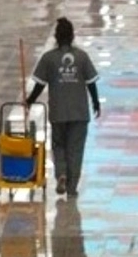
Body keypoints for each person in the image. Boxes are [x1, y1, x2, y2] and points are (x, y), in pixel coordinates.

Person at [26, 18, 102, 197]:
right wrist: (96, 103)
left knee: (59, 145)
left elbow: (40, 85)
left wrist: (29, 101)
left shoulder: (49, 58)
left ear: (56, 37)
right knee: (75, 149)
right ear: (73, 36)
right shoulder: (82, 57)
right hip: (79, 112)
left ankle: (61, 173)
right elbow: (91, 83)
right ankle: (72, 187)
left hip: (58, 111)